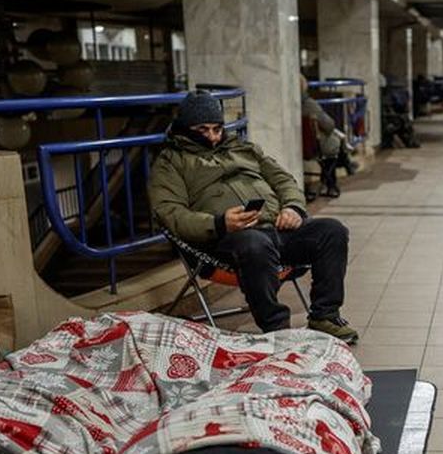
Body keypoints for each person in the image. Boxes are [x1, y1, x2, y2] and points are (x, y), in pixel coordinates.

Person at [149, 90, 358, 343]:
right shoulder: (170, 163)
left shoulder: (243, 149)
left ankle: (324, 316)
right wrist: (219, 223)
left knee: (332, 231)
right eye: (203, 130)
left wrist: (293, 207)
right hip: (225, 241)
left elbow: (283, 180)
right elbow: (171, 214)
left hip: (276, 229)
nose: (213, 137)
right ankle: (277, 328)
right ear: (184, 128)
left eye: (217, 129)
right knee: (254, 243)